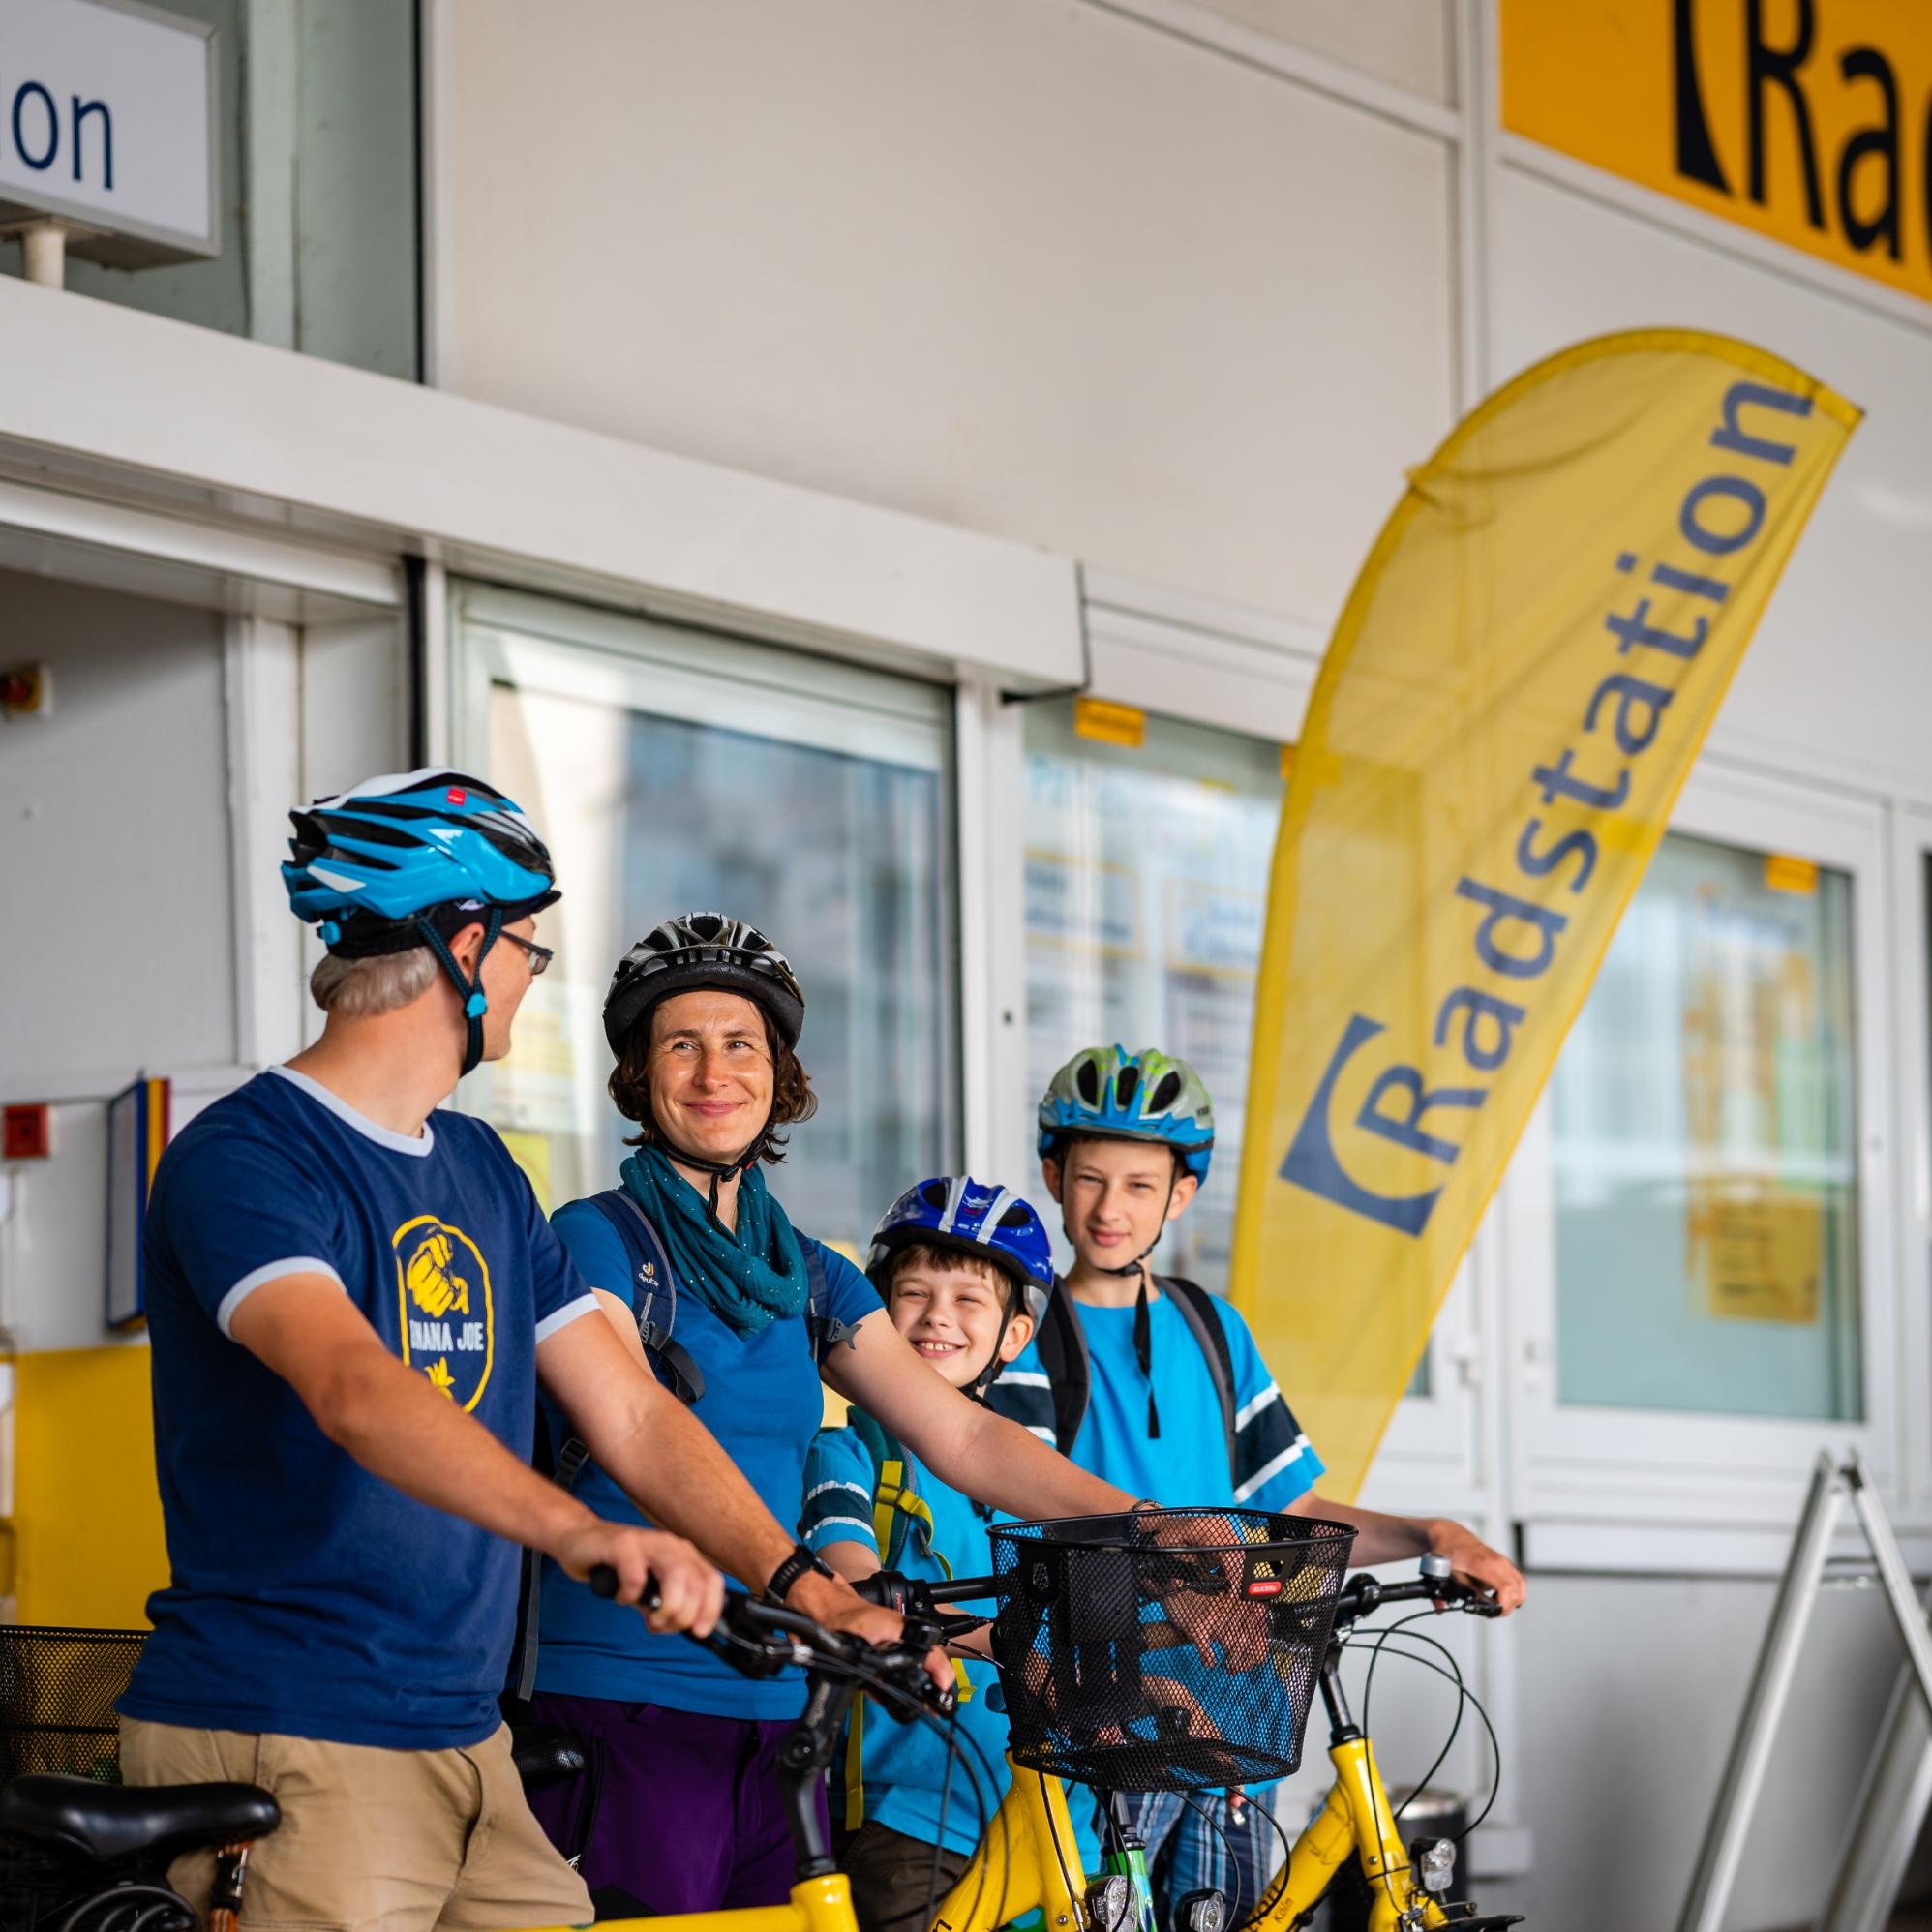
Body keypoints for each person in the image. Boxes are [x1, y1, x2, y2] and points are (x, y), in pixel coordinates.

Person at [119, 772, 883, 1932]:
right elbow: (353, 1386)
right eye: (530, 947)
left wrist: (791, 1580)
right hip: (298, 1726)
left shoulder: (480, 1169)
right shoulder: (249, 1154)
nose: (535, 976)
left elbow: (629, 1413)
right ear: (466, 947)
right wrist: (579, 1530)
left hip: (461, 1731)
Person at [521, 915, 1145, 1916]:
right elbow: (629, 1418)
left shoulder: (808, 1272)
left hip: (783, 1712)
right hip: (627, 1698)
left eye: (741, 1044)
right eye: (680, 1044)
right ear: (640, 1073)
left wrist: (1143, 1529)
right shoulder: (597, 1241)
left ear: (780, 1073)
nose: (712, 1070)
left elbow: (963, 1432)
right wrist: (814, 1587)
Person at [988, 1044, 1527, 1926]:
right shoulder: (1029, 1332)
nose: (1109, 1208)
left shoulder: (1213, 1329)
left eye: (1137, 1184)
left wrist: (1436, 1534)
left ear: (1181, 1194)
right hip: (1108, 1714)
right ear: (1053, 1175)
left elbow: (1296, 1511)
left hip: (1236, 1705)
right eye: (1089, 1179)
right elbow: (1023, 1511)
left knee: (1237, 1914)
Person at [802, 1176, 1055, 1932]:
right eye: (913, 1294)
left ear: (1013, 1336)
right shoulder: (850, 1454)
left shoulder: (1023, 1484)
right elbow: (844, 1568)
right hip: (907, 1815)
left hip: (1031, 1808)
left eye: (969, 1300)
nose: (938, 1316)